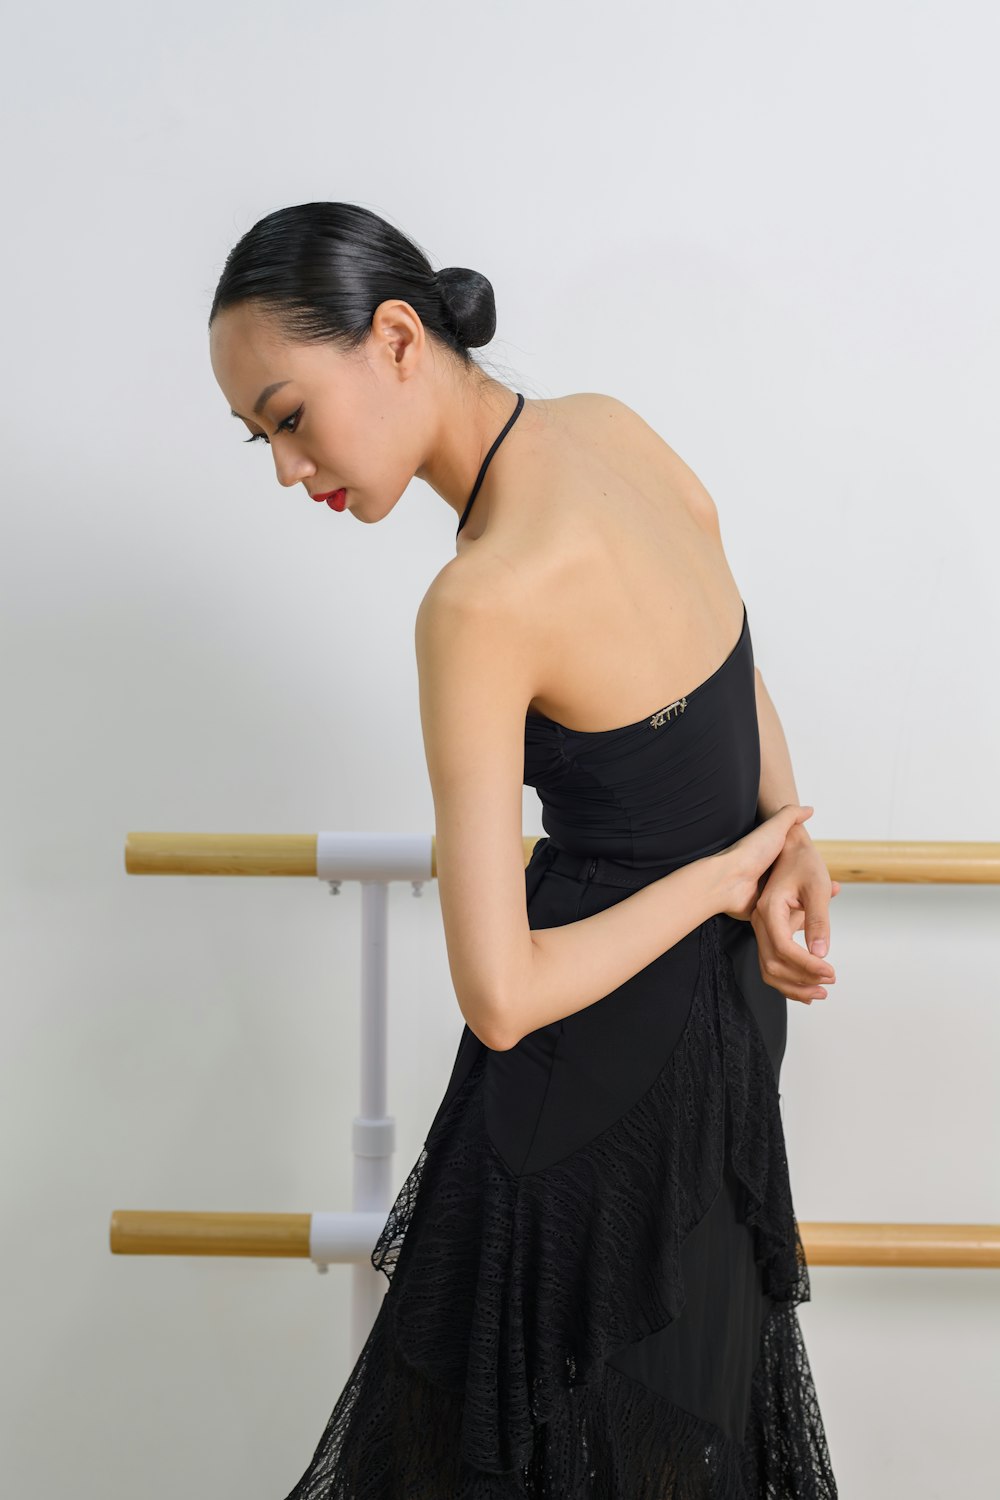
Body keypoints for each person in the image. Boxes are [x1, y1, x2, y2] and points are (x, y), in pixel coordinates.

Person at [209, 201, 841, 1497]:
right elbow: (727, 625)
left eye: (286, 416)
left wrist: (741, 869)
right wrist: (786, 840)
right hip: (719, 1055)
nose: (287, 468)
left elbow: (501, 998)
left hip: (589, 1111)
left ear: (395, 338)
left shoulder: (480, 601)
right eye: (260, 440)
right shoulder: (612, 430)